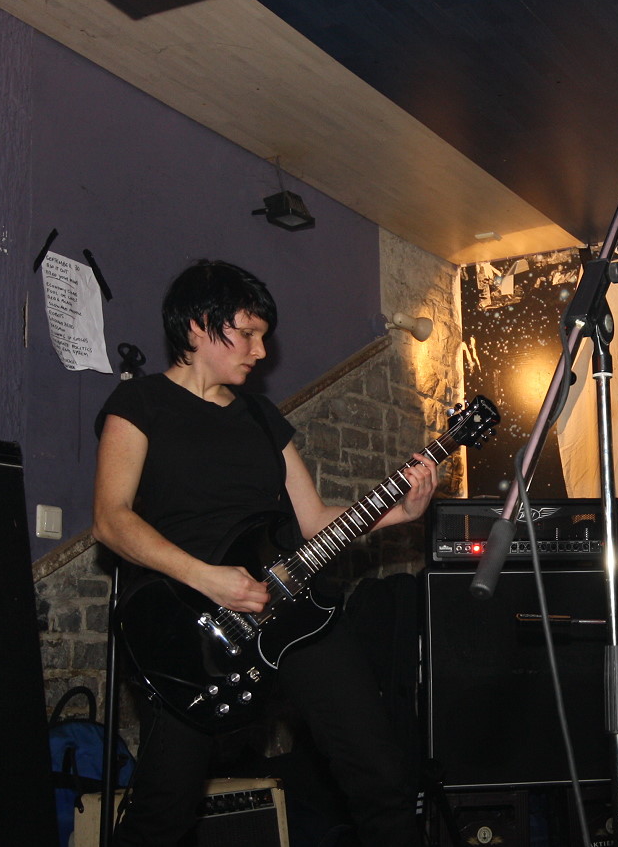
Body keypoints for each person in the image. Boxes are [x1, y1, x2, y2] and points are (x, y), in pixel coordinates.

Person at [93, 260, 437, 846]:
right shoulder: (140, 403)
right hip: (191, 627)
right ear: (199, 325)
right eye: (248, 333)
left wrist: (398, 513)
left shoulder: (260, 416)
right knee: (164, 807)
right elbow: (111, 520)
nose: (260, 350)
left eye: (263, 336)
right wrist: (209, 579)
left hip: (293, 612)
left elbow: (314, 521)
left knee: (380, 776)